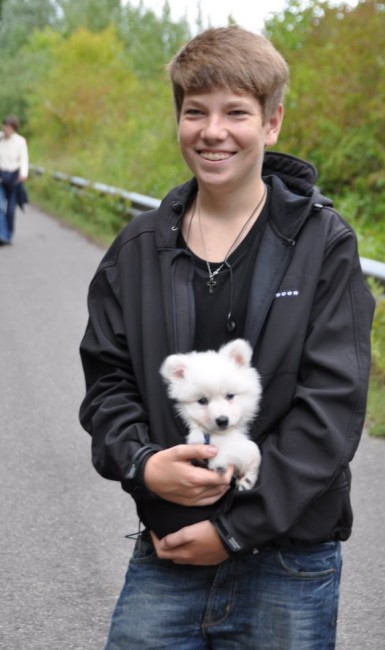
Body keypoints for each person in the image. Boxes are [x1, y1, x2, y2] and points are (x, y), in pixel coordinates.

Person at [79, 26, 375, 650]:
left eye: (236, 112)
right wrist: (144, 463)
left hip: (290, 561)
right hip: (171, 550)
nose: (214, 132)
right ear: (179, 120)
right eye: (196, 112)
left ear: (271, 124)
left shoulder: (325, 246)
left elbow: (333, 406)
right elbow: (107, 382)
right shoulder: (136, 251)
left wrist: (237, 529)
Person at [0, 114, 29, 244]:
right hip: (1, 176)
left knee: (10, 210)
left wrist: (23, 174)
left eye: (9, 127)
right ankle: (3, 234)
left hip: (14, 178)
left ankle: (9, 234)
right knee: (0, 207)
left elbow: (23, 159)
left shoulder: (20, 141)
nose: (7, 129)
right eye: (5, 126)